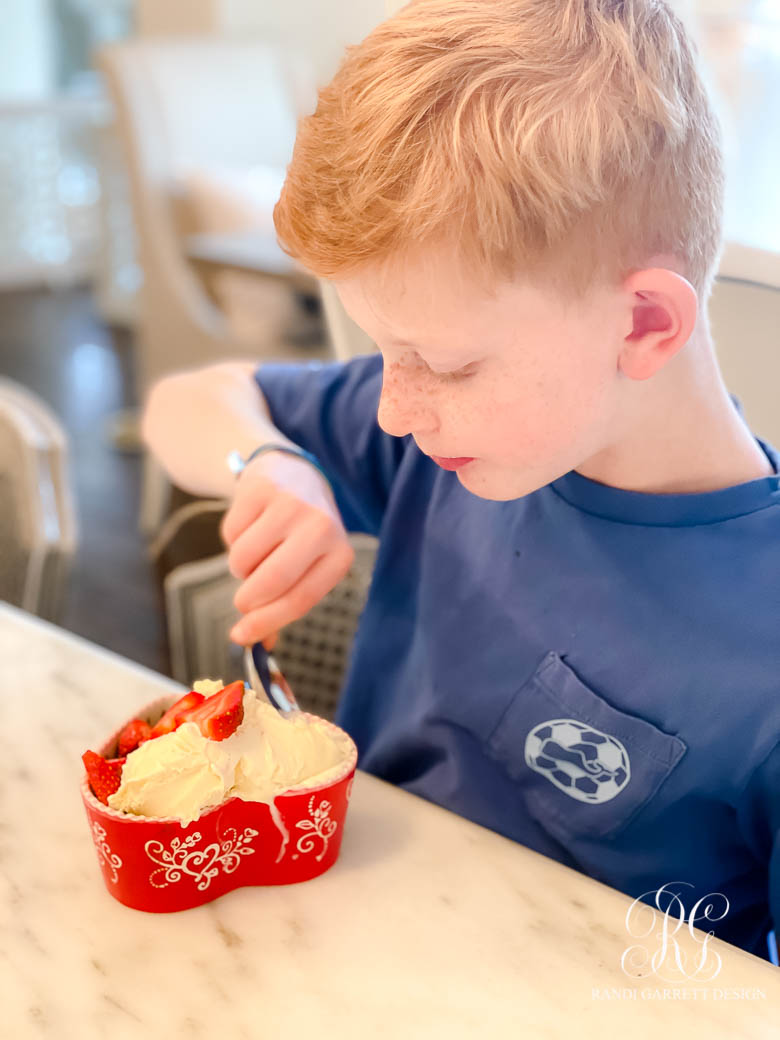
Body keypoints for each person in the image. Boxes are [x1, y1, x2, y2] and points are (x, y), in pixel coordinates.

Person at [142, 0, 780, 963]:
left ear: (644, 324)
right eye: (379, 352)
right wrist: (267, 464)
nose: (394, 409)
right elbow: (193, 399)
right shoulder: (453, 436)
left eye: (444, 364)